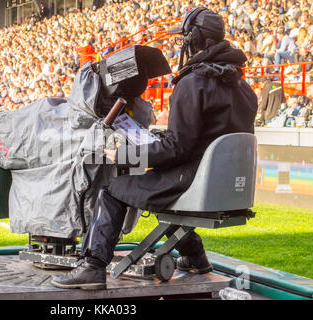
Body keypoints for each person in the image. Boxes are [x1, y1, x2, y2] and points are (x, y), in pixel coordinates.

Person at [51, 7, 258, 290]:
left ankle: (92, 266)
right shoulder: (244, 88)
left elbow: (177, 150)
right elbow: (202, 141)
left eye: (185, 37)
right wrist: (161, 144)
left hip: (192, 181)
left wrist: (124, 154)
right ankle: (195, 257)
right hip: (224, 189)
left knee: (113, 190)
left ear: (198, 40)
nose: (182, 43)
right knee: (164, 191)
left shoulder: (193, 83)